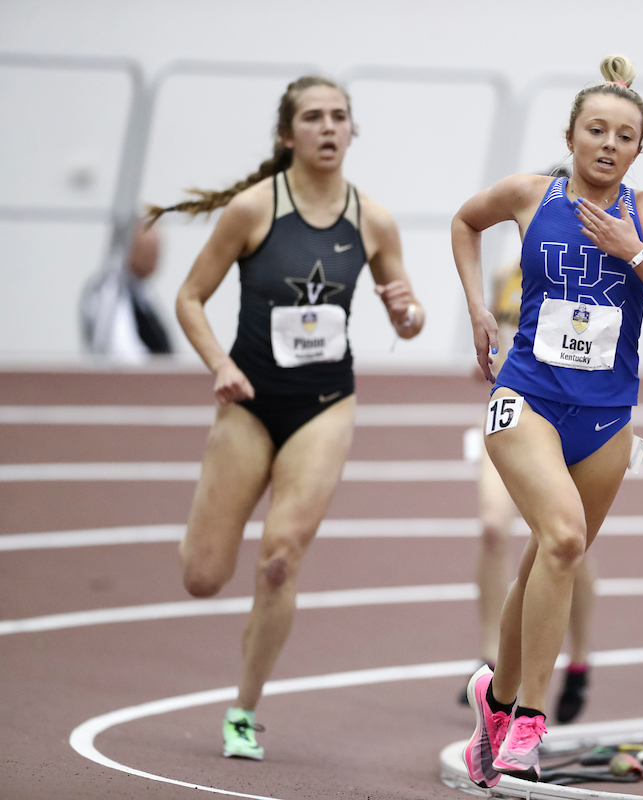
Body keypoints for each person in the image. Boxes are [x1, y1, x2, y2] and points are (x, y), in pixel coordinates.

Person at [148, 75, 424, 760]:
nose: (328, 127)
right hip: (248, 401)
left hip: (324, 405)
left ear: (351, 131)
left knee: (279, 559)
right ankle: (204, 529)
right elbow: (188, 297)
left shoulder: (373, 219)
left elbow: (410, 315)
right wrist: (220, 364)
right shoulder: (253, 209)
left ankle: (243, 710)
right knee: (203, 576)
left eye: (339, 117)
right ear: (287, 134)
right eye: (313, 117)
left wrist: (407, 315)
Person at [451, 55, 643, 786]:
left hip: (606, 420)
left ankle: (495, 698)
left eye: (624, 136)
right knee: (563, 539)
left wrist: (637, 252)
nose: (608, 144)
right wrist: (477, 308)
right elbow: (465, 223)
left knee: (545, 560)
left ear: (639, 149)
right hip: (525, 399)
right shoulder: (531, 195)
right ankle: (530, 720)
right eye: (596, 130)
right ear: (570, 136)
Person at [461, 240, 597, 725]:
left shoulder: (589, 272)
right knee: (492, 528)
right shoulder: (505, 275)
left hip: (567, 422)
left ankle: (579, 660)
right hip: (511, 414)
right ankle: (488, 658)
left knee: (566, 544)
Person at [80, 217, 173, 361]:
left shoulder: (143, 293)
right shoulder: (109, 291)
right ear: (129, 248)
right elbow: (122, 353)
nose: (155, 259)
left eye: (157, 251)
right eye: (148, 251)